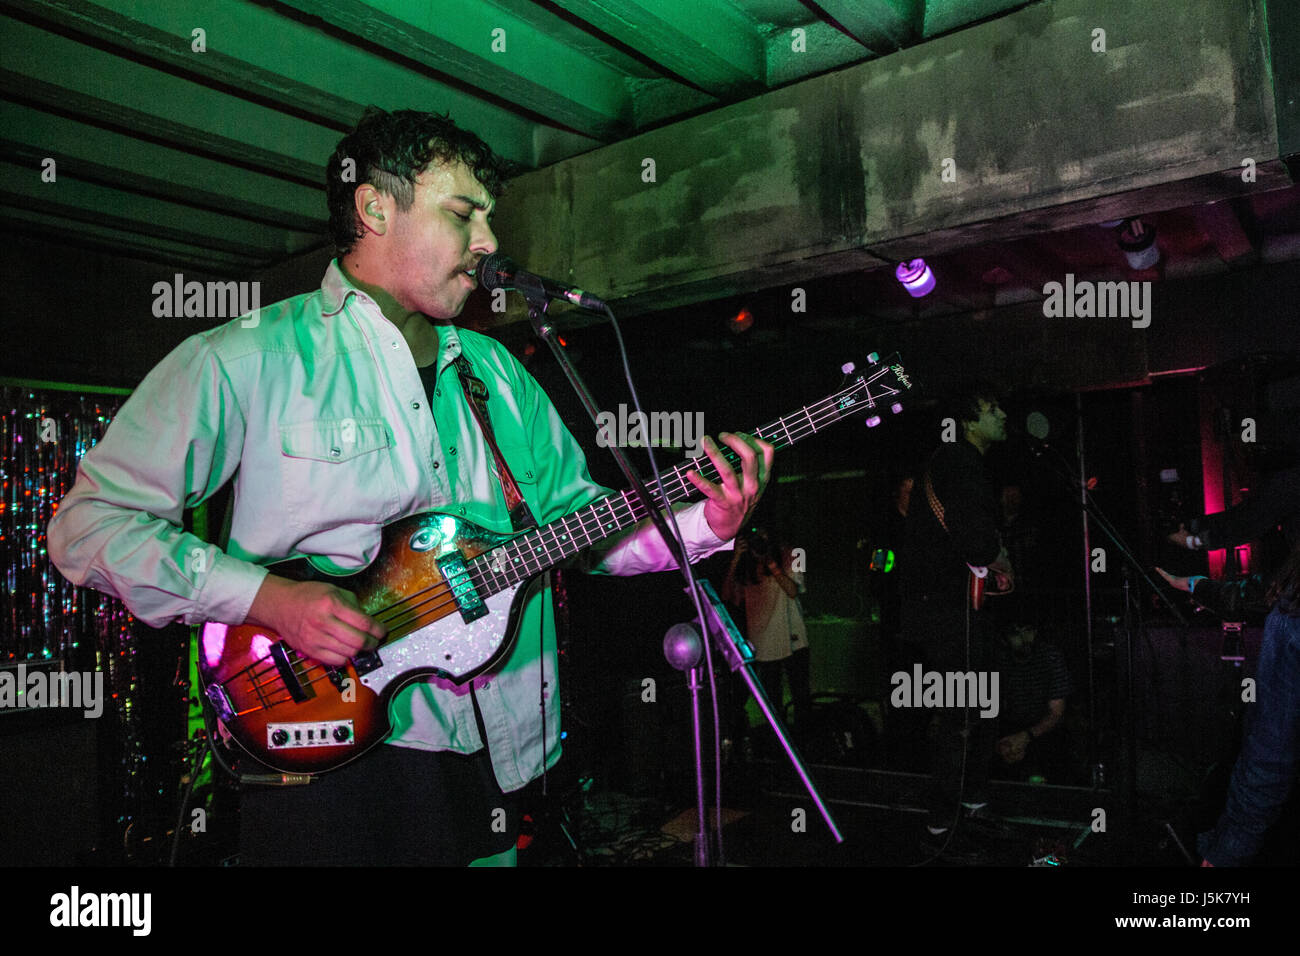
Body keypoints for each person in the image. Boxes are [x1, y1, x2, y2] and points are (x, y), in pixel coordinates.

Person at [46, 106, 774, 866]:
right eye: (464, 214)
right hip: (328, 762)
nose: (491, 243)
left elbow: (579, 526)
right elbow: (89, 527)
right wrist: (270, 601)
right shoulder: (246, 357)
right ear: (374, 208)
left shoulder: (497, 374)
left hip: (499, 748)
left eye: (490, 219)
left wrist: (705, 524)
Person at [897, 381, 1012, 837]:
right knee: (964, 711)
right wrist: (1000, 557)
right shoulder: (961, 461)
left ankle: (965, 804)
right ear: (968, 420)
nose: (1002, 414)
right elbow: (976, 540)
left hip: (940, 609)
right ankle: (947, 817)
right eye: (992, 406)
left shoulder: (947, 462)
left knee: (967, 708)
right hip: (949, 612)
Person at [1157, 552, 1300, 866]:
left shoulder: (1292, 612)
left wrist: (1230, 847)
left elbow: (1272, 750)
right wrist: (1197, 584)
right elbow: (1248, 593)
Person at [722, 527, 810, 734]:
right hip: (763, 645)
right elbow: (726, 596)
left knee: (801, 698)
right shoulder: (746, 566)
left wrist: (770, 561)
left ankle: (806, 744)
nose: (759, 541)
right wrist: (736, 559)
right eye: (755, 538)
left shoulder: (793, 554)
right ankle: (778, 747)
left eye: (763, 536)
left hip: (794, 640)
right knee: (773, 703)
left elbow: (793, 591)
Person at [992, 621, 1070, 781]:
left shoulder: (1050, 657)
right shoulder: (998, 659)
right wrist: (1004, 744)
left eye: (1028, 630)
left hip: (1045, 733)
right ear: (1005, 637)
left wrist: (1026, 737)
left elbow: (1056, 713)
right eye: (1016, 633)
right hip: (1007, 731)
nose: (1024, 638)